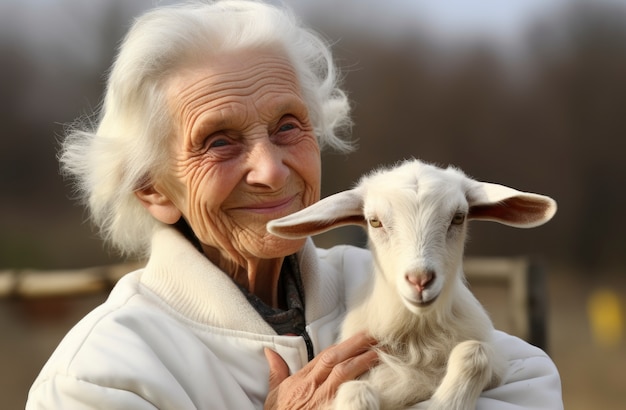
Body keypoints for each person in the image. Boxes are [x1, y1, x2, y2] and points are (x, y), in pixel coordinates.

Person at [26, 1, 563, 409]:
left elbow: (534, 386)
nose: (273, 169)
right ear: (153, 189)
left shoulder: (379, 279)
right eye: (218, 141)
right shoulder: (100, 373)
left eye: (288, 126)